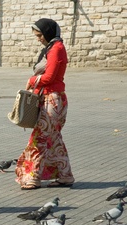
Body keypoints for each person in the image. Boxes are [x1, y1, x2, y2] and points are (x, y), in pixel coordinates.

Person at [15, 18, 75, 190]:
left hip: (52, 100)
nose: (39, 38)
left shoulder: (56, 48)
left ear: (48, 32)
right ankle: (65, 176)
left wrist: (32, 80)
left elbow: (49, 77)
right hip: (52, 98)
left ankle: (33, 177)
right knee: (53, 138)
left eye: (40, 35)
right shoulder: (52, 48)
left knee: (40, 139)